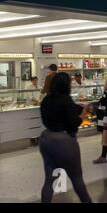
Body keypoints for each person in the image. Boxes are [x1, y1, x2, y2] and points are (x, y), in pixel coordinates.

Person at [39, 72, 92, 203]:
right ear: (66, 85)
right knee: (76, 177)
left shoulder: (46, 100)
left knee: (49, 180)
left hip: (46, 139)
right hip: (63, 141)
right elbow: (74, 124)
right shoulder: (66, 100)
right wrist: (83, 115)